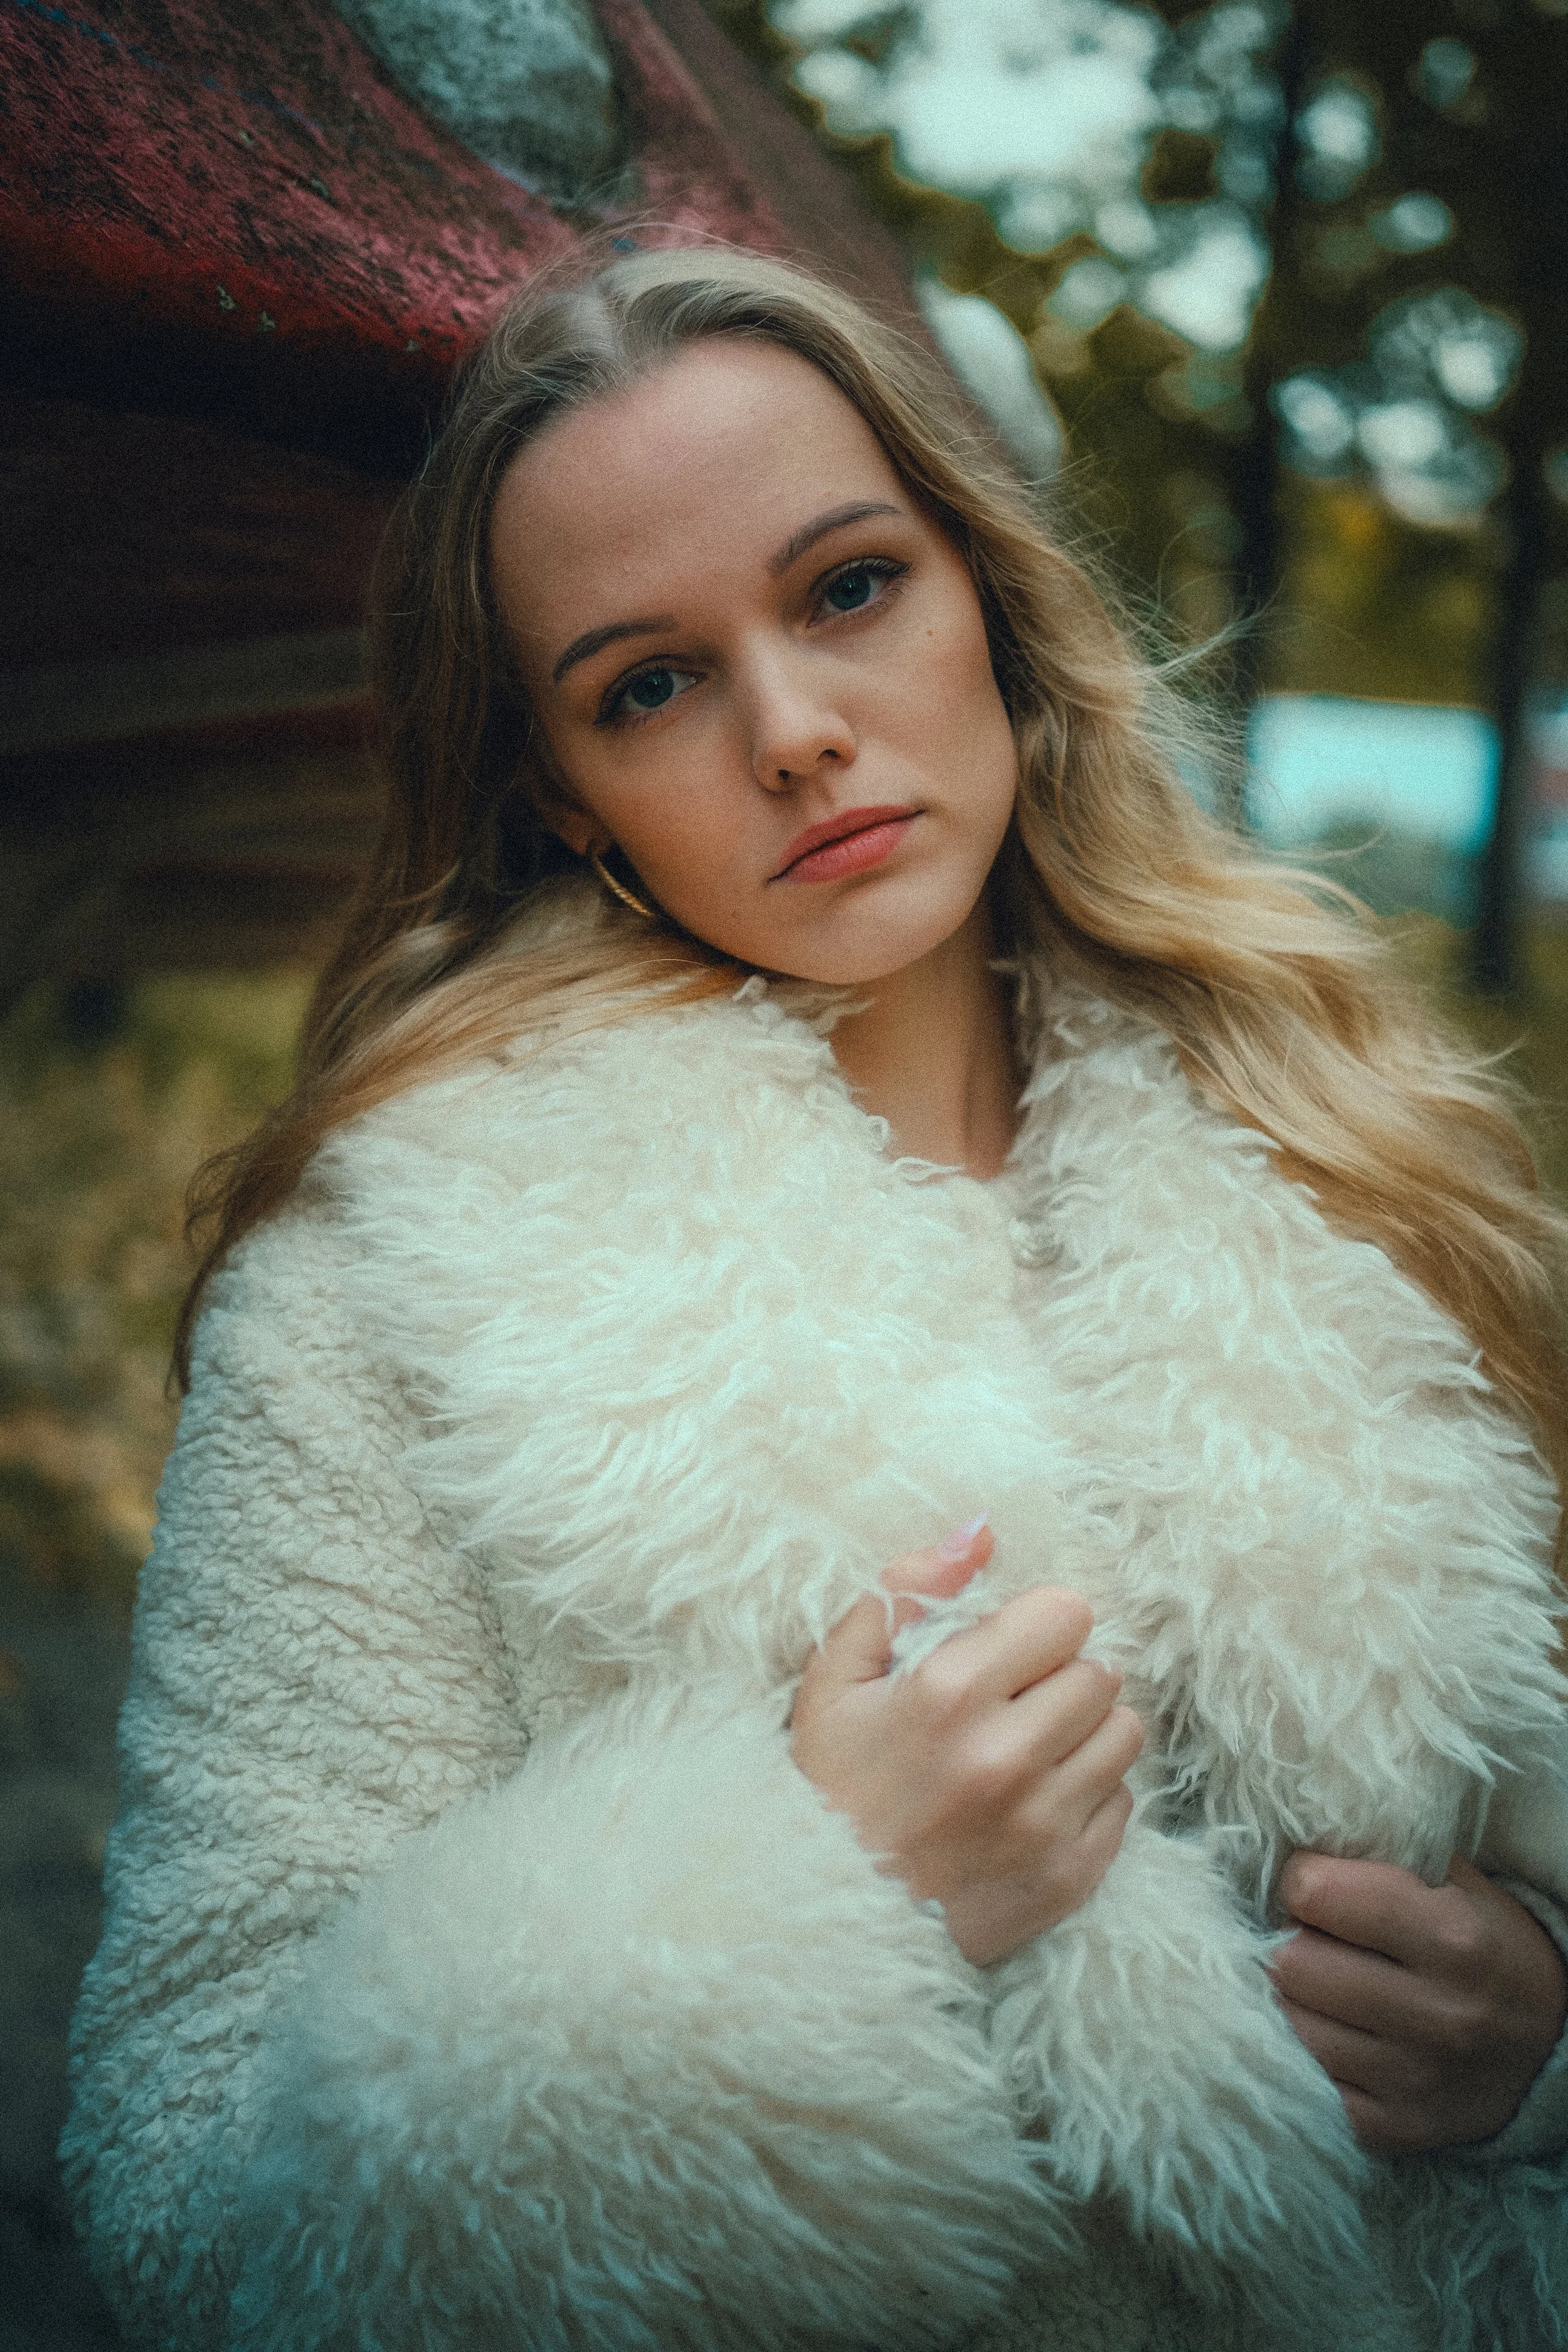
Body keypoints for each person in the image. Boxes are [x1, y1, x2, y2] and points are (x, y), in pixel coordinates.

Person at [63, 245, 1568, 2352]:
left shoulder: (1358, 1146)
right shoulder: (379, 1305)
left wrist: (1541, 2051)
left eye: (847, 586)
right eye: (647, 684)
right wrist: (817, 1900)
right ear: (555, 794)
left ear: (988, 596)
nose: (793, 732)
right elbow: (181, 2184)